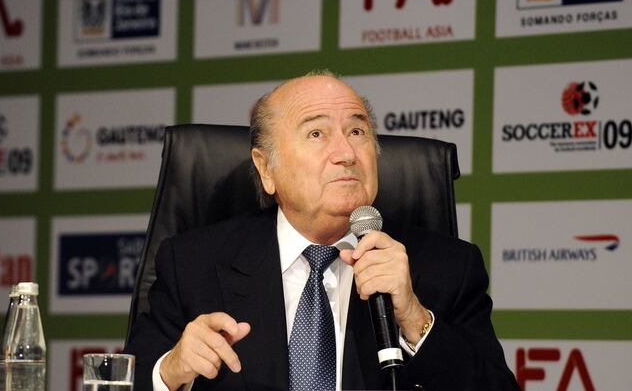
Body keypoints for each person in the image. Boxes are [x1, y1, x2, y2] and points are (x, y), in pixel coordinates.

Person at [125, 72, 520, 391]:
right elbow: (132, 379)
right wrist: (171, 370)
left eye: (357, 132)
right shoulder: (192, 263)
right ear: (266, 169)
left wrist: (415, 320)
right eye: (316, 134)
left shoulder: (446, 267)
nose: (346, 153)